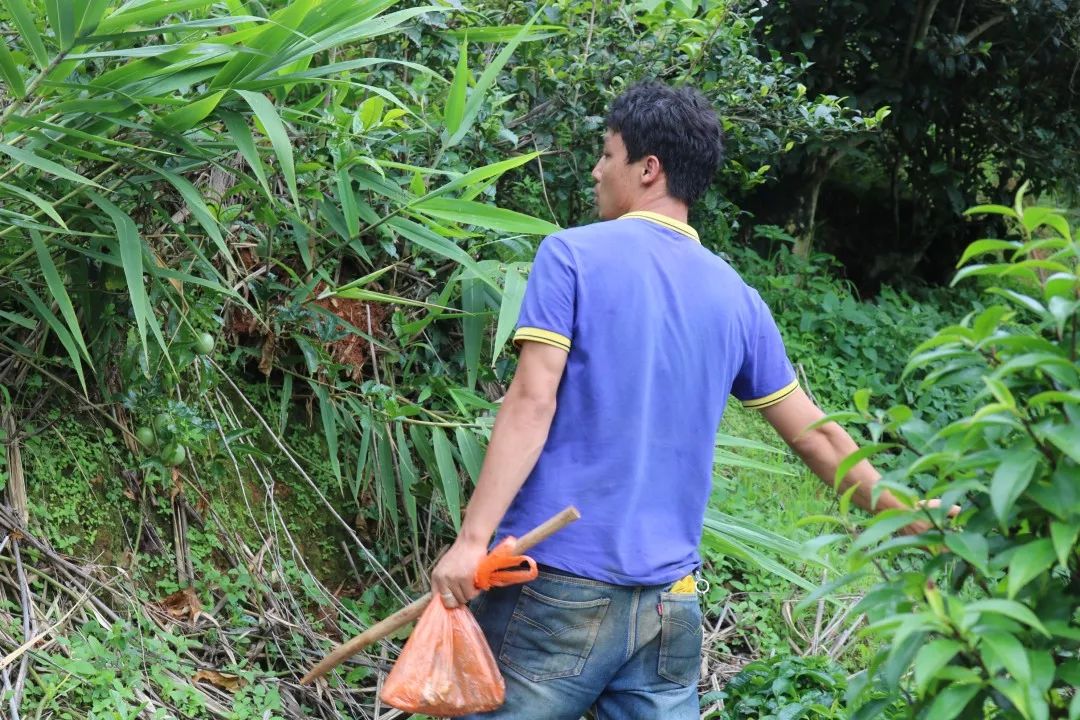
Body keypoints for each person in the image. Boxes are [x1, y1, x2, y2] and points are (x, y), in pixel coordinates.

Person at [430, 81, 938, 720]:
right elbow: (819, 436)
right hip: (670, 605)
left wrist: (473, 539)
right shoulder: (737, 297)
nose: (596, 170)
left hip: (557, 589)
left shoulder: (572, 255)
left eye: (607, 154)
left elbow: (533, 401)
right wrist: (907, 513)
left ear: (649, 169)